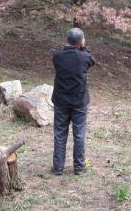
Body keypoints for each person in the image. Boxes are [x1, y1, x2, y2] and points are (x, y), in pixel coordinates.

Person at [51, 28, 95, 176]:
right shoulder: (84, 57)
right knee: (79, 134)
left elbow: (65, 53)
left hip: (61, 100)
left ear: (66, 39)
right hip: (79, 101)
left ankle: (58, 167)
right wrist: (83, 47)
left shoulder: (57, 56)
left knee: (59, 134)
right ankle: (79, 167)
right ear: (81, 41)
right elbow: (91, 59)